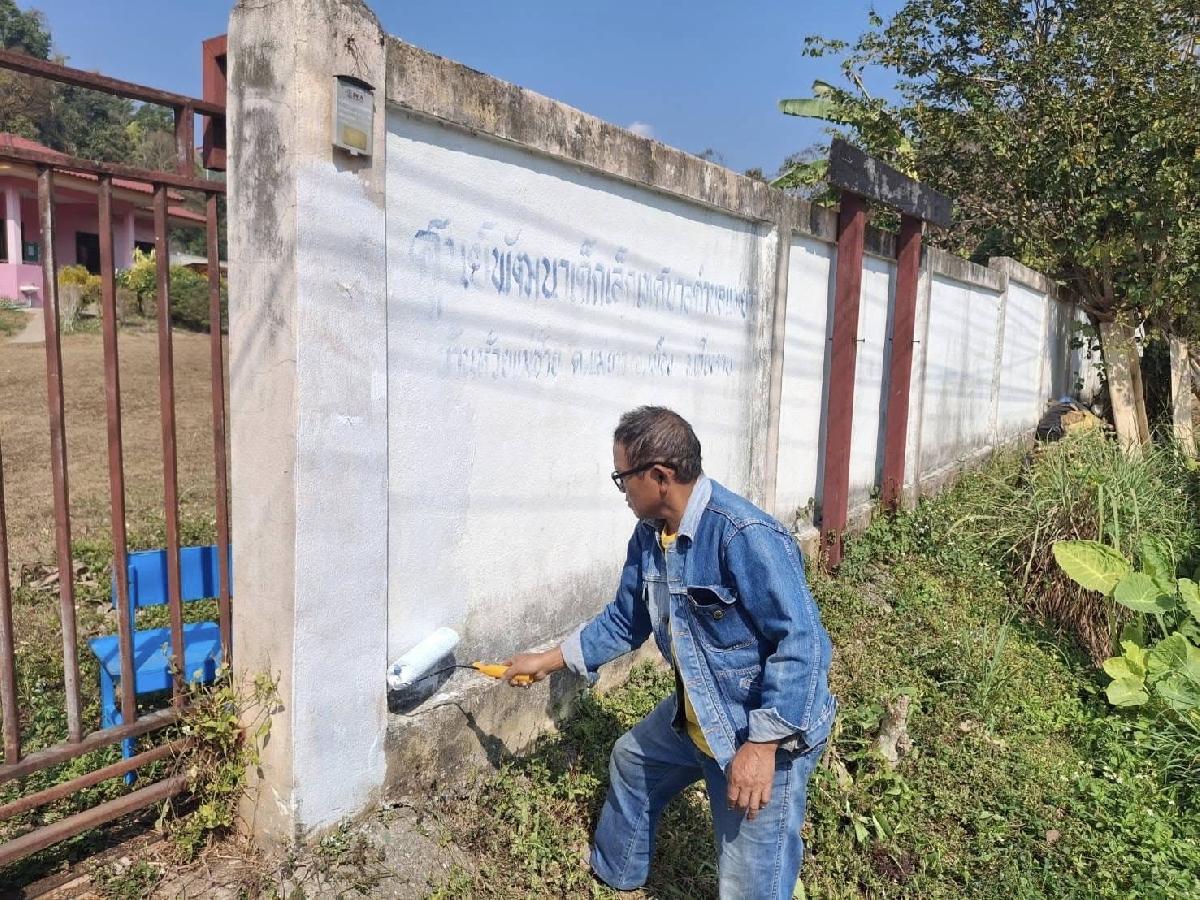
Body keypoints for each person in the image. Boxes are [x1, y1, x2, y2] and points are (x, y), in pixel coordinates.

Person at [502, 406, 836, 899]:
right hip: (701, 710)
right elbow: (626, 620)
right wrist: (545, 661)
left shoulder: (742, 533)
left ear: (659, 476)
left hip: (760, 730)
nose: (621, 490)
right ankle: (617, 878)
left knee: (750, 884)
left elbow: (804, 644)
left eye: (623, 477)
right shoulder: (650, 537)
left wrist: (762, 747)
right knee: (633, 761)